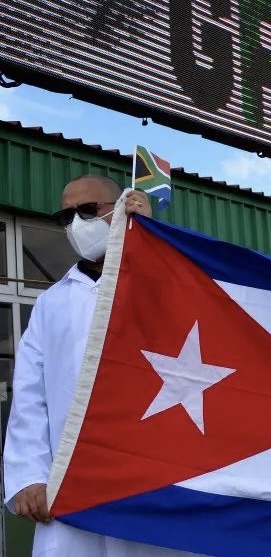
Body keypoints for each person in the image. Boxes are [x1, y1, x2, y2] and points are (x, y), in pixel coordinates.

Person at [4, 175, 202, 556]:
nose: (75, 224)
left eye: (86, 210)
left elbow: (192, 327)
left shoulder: (166, 282)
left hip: (152, 484)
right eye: (65, 217)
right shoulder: (52, 303)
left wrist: (151, 242)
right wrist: (29, 477)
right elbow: (30, 397)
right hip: (69, 491)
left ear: (121, 208)